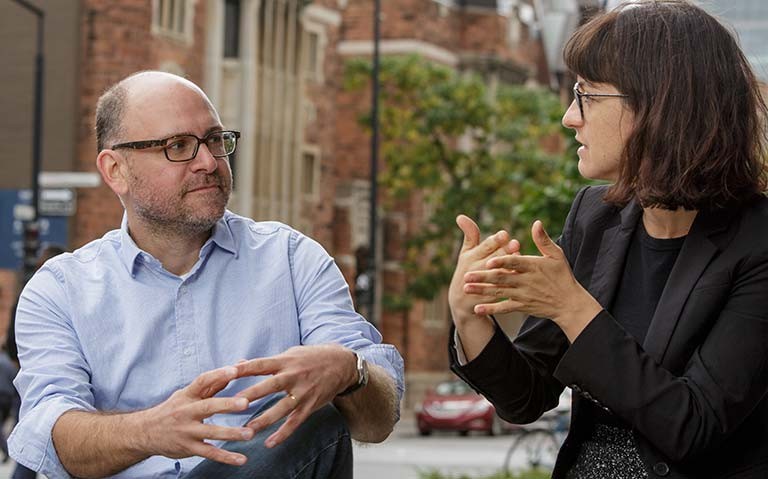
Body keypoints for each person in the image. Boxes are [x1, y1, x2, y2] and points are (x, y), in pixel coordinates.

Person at [8, 71, 404, 479]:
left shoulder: (292, 260)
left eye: (215, 140)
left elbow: (377, 424)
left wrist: (351, 372)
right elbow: (53, 437)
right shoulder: (59, 289)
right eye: (178, 146)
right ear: (116, 171)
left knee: (319, 419)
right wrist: (151, 430)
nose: (208, 162)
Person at [448, 1, 768, 478]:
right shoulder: (594, 216)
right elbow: (527, 398)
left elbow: (693, 425)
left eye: (587, 95)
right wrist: (469, 316)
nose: (569, 118)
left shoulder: (757, 241)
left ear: (661, 106)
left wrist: (573, 308)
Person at [5, 245, 66, 479]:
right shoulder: (59, 294)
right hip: (43, 373)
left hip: (30, 373)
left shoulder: (30, 293)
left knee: (30, 434)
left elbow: (12, 337)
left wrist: (18, 361)